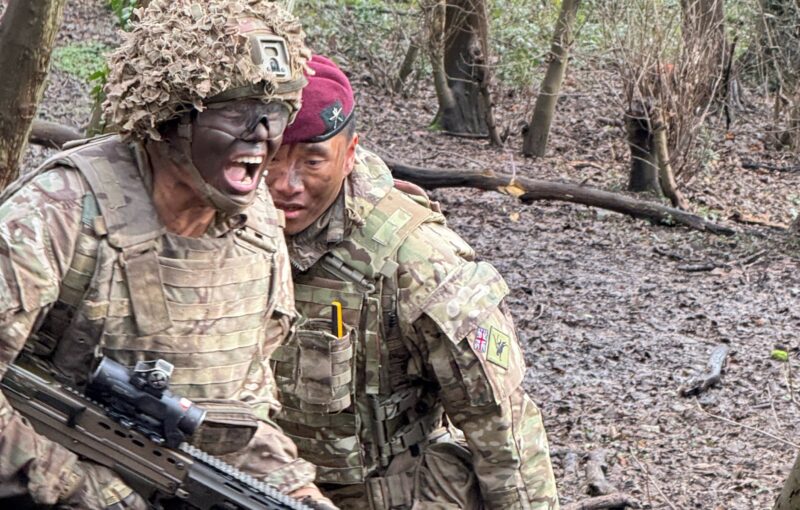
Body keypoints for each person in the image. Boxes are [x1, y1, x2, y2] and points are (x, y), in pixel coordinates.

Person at [0, 1, 335, 508]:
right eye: (236, 111)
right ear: (167, 119)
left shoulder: (258, 225)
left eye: (276, 112)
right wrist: (87, 492)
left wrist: (292, 489)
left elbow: (237, 415)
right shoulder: (58, 212)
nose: (264, 135)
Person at [266, 55, 559, 509]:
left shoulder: (421, 262)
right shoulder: (228, 231)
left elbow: (502, 425)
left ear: (349, 155)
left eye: (311, 161)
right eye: (273, 157)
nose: (286, 184)